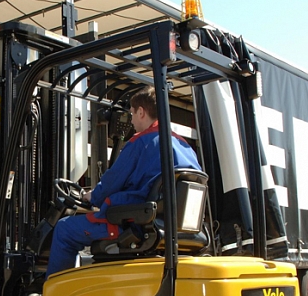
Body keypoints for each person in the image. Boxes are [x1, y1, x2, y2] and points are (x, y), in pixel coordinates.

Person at [46, 89, 203, 276]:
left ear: (141, 112)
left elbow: (112, 182)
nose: (132, 121)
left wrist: (92, 196)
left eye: (132, 114)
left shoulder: (141, 142)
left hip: (133, 224)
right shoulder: (185, 146)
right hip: (172, 228)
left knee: (65, 229)